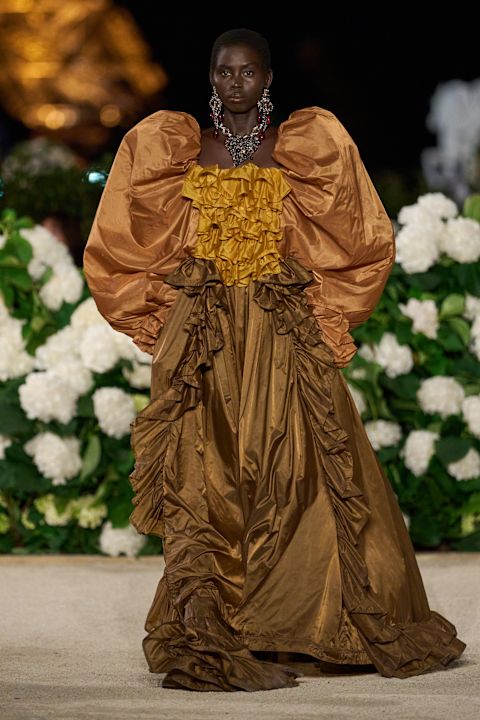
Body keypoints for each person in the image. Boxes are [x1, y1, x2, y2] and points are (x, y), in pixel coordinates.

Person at [83, 28, 467, 692]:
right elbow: (125, 238)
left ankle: (297, 621)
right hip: (205, 338)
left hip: (281, 333)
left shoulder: (300, 147)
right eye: (225, 72)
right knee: (206, 476)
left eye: (248, 71)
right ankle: (221, 619)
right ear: (211, 78)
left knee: (298, 472)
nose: (236, 82)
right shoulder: (176, 149)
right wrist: (165, 311)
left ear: (266, 79)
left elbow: (356, 232)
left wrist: (321, 308)